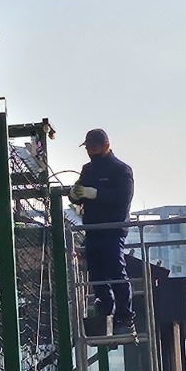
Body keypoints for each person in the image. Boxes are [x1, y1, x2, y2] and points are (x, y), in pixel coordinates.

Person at [69, 128, 135, 335]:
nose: (91, 152)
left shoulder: (122, 170)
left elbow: (122, 199)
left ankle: (125, 318)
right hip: (93, 229)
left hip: (113, 229)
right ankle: (107, 313)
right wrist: (75, 194)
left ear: (106, 145)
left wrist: (95, 194)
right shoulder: (88, 169)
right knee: (97, 275)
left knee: (116, 271)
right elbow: (79, 194)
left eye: (94, 148)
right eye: (88, 149)